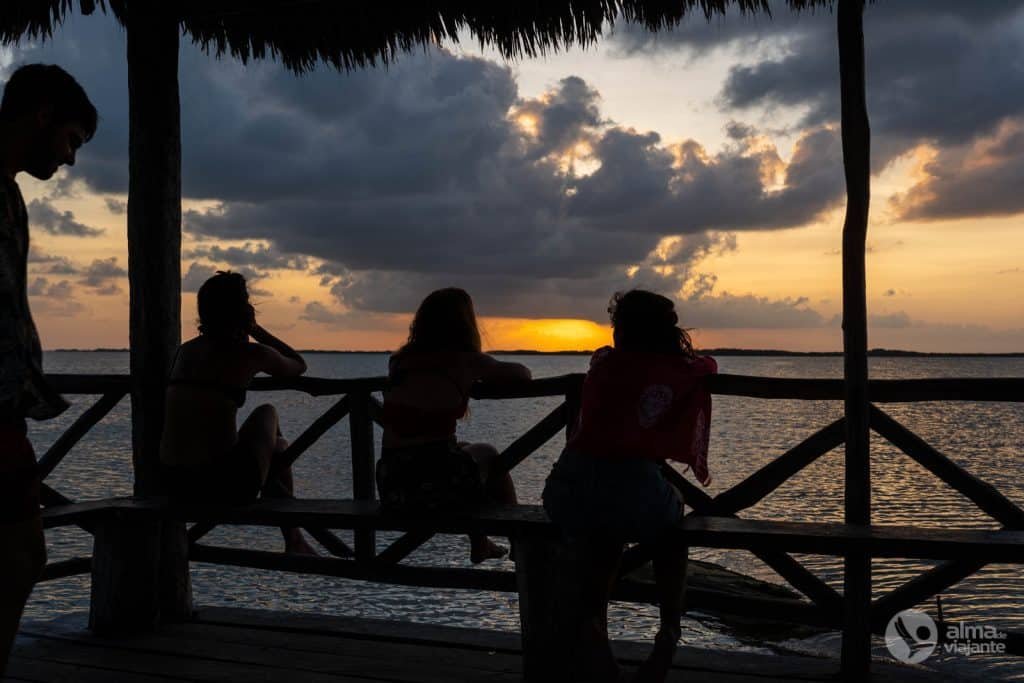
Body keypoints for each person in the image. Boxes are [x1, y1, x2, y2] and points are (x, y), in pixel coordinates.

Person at [542, 290, 717, 683]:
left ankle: (594, 628)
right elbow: (707, 365)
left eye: (617, 324)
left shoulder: (604, 363)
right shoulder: (676, 371)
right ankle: (669, 630)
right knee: (670, 535)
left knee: (602, 536)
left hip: (568, 488)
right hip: (631, 489)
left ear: (623, 330)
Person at [0, 64, 97, 676]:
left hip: (6, 407)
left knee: (20, 556)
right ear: (41, 116)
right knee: (21, 556)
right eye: (70, 141)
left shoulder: (8, 195)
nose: (69, 161)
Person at [159, 271, 315, 555]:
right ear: (242, 310)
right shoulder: (250, 354)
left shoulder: (184, 352)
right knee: (270, 419)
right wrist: (256, 330)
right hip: (222, 488)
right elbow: (298, 365)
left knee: (277, 449)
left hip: (172, 484)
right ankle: (293, 538)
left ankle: (294, 538)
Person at [377, 287, 531, 564]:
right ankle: (518, 541)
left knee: (463, 452)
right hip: (431, 488)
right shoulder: (463, 361)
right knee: (489, 454)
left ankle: (481, 542)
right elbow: (522, 374)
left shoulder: (399, 362)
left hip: (392, 483)